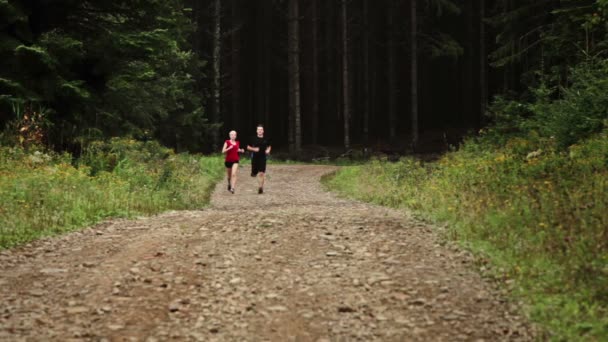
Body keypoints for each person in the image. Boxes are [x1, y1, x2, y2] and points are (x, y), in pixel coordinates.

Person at [247, 124, 271, 194]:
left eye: (261, 130)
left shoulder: (266, 139)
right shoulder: (253, 138)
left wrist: (268, 150)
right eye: (258, 130)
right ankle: (253, 172)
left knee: (261, 173)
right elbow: (248, 147)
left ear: (263, 131)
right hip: (254, 157)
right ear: (256, 131)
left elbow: (269, 146)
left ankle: (260, 187)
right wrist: (254, 149)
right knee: (254, 173)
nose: (259, 131)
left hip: (263, 157)